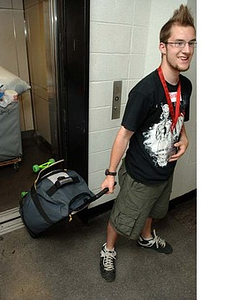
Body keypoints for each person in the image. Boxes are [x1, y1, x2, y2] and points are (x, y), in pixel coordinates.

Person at [99, 4, 196, 282]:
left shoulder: (186, 85)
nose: (186, 50)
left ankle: (145, 237)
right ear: (162, 47)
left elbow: (179, 119)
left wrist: (185, 139)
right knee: (121, 216)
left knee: (155, 209)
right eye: (178, 42)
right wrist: (109, 174)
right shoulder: (145, 91)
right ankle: (108, 249)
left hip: (166, 170)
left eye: (191, 43)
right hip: (141, 174)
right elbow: (124, 135)